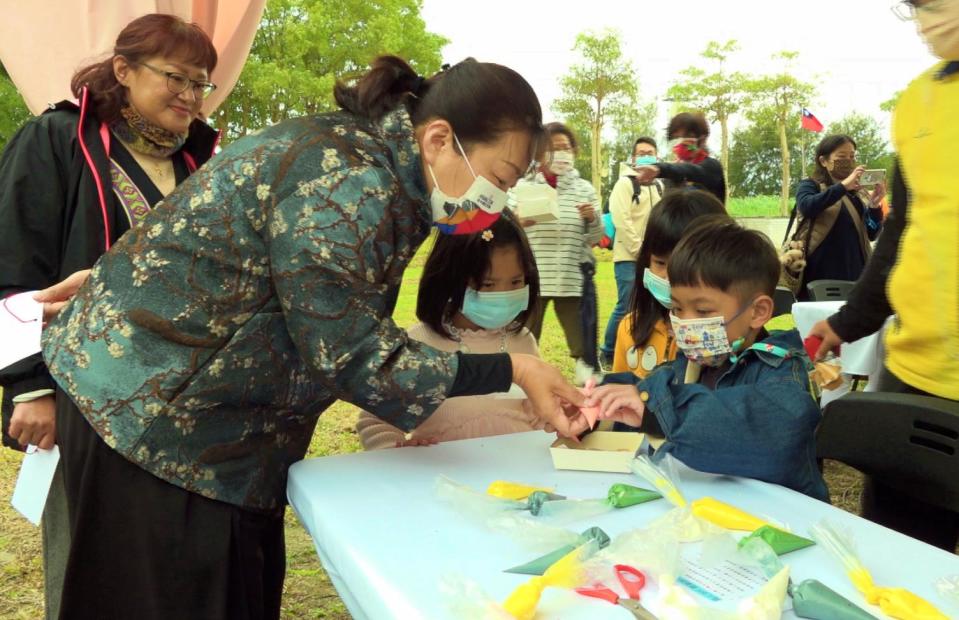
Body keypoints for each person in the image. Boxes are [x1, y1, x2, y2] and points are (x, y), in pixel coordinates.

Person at [39, 55, 588, 619]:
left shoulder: (371, 162)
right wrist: (515, 369)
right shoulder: (352, 181)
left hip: (195, 414)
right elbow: (352, 354)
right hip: (159, 423)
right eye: (498, 179)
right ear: (439, 140)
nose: (496, 201)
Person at [0, 14, 218, 619]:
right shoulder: (55, 140)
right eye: (177, 76)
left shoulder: (198, 166)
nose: (191, 95)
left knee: (169, 562)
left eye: (203, 84)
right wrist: (29, 387)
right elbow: (12, 264)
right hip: (81, 397)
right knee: (89, 562)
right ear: (123, 71)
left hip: (182, 401)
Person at [810, 0, 959, 550]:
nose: (928, 22)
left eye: (940, 5)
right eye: (917, 10)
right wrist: (846, 323)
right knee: (897, 556)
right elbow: (901, 234)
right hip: (914, 372)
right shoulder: (918, 102)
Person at [588, 217, 828, 501]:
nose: (684, 323)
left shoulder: (784, 371)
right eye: (676, 308)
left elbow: (770, 433)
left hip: (784, 523)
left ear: (758, 312)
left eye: (702, 312)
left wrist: (658, 413)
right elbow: (645, 395)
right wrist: (595, 405)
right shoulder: (687, 366)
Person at [356, 213, 545, 448]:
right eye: (487, 284)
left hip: (516, 475)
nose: (503, 294)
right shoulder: (417, 345)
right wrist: (394, 452)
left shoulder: (523, 342)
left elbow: (538, 414)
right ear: (450, 279)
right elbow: (376, 419)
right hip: (444, 478)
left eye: (516, 282)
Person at [612, 190, 727, 385]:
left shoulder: (725, 336)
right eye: (660, 262)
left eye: (681, 265)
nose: (669, 277)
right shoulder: (629, 328)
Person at [519, 122, 603, 384]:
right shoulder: (523, 186)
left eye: (566, 148)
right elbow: (506, 232)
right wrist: (519, 223)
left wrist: (592, 219)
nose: (561, 153)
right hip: (534, 277)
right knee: (524, 339)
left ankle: (589, 390)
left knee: (583, 347)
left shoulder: (584, 189)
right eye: (554, 148)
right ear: (539, 154)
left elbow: (594, 238)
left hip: (571, 278)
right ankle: (521, 385)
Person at [789, 134, 885, 300]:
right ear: (823, 161)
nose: (848, 161)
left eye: (852, 156)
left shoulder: (857, 194)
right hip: (819, 278)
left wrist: (875, 206)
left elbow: (871, 233)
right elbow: (807, 206)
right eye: (841, 156)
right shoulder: (810, 185)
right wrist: (843, 186)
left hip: (855, 277)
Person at [600, 137, 665, 367]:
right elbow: (621, 221)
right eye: (641, 152)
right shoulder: (624, 184)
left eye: (650, 152)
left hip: (653, 259)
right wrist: (639, 250)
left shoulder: (658, 186)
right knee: (626, 305)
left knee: (651, 305)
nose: (646, 155)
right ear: (633, 158)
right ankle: (608, 351)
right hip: (628, 257)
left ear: (656, 157)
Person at [633, 112, 726, 203]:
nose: (682, 141)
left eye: (688, 136)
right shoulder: (671, 177)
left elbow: (692, 171)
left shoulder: (712, 167)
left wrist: (659, 169)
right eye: (676, 137)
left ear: (702, 139)